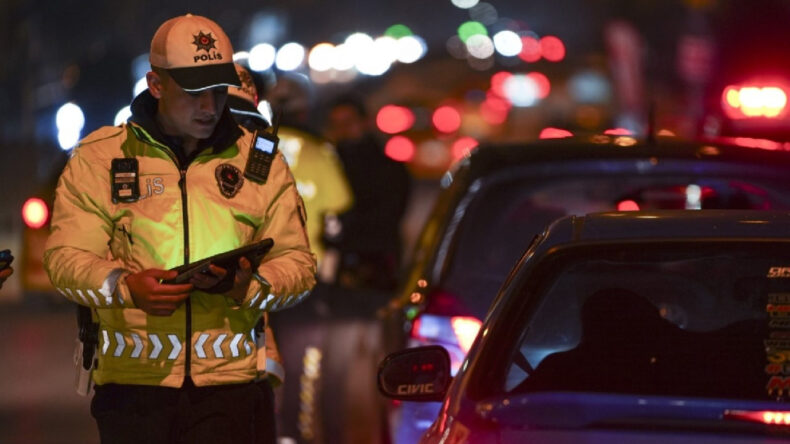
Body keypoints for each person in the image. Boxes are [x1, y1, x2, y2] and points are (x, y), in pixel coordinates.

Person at [43, 13, 316, 444]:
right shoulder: (100, 158)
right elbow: (64, 258)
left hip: (230, 389)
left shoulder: (259, 162)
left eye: (216, 90)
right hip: (134, 391)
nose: (209, 106)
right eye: (193, 92)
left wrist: (250, 285)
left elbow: (299, 264)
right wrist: (127, 286)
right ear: (156, 85)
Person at [325, 93, 411, 293]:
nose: (343, 129)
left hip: (378, 267)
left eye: (348, 121)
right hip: (340, 268)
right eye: (336, 123)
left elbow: (389, 216)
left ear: (365, 122)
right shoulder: (328, 168)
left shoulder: (390, 169)